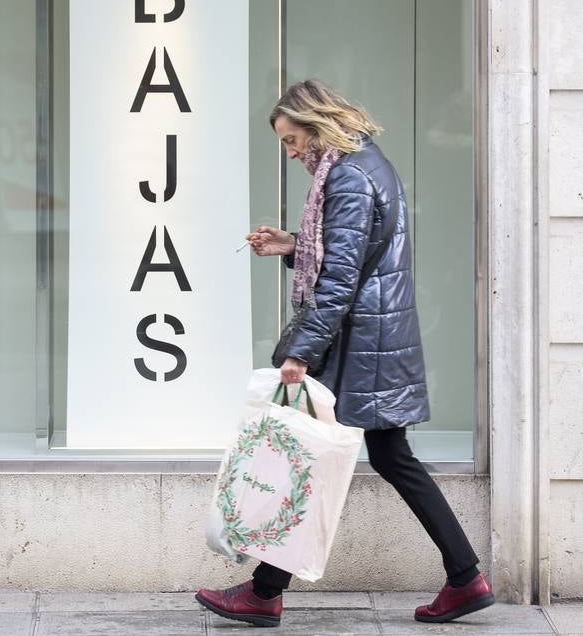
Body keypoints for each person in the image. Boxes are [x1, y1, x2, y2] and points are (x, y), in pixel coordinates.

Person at [196, 80, 494, 628]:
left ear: (317, 126)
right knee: (383, 455)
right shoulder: (362, 164)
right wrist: (293, 244)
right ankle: (464, 577)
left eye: (292, 140)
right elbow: (350, 254)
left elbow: (339, 278)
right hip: (370, 333)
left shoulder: (349, 177)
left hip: (359, 338)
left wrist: (301, 352)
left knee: (304, 454)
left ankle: (265, 594)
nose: (290, 153)